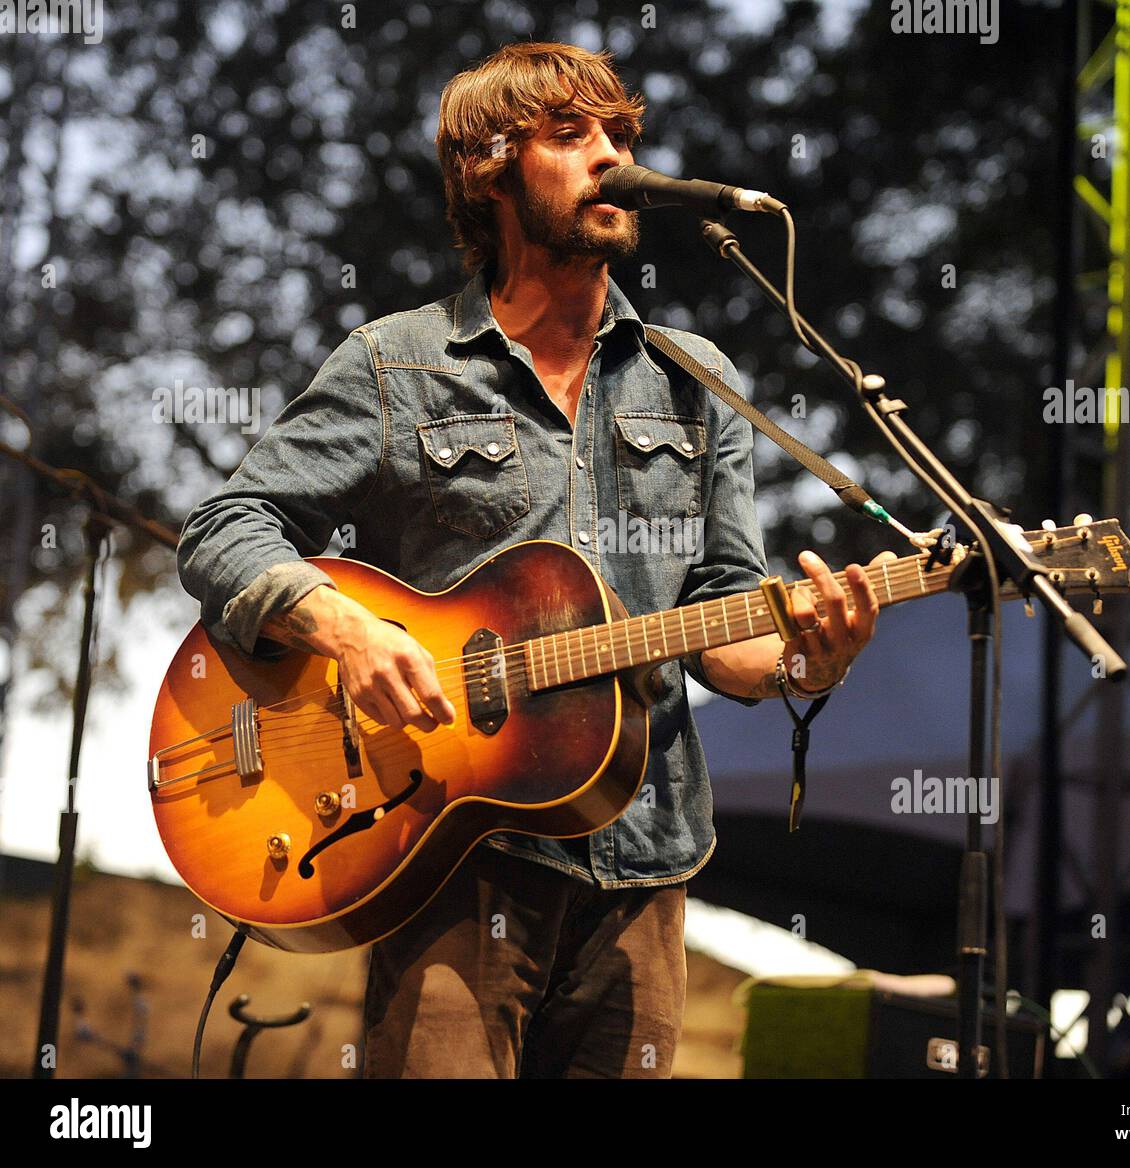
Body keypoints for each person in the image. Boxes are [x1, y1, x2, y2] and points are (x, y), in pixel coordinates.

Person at [177, 41, 891, 1078]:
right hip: (454, 855)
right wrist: (343, 625)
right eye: (572, 136)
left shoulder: (701, 381)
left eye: (622, 136)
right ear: (486, 167)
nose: (612, 157)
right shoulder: (399, 365)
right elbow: (225, 527)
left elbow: (726, 611)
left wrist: (803, 661)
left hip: (644, 858)